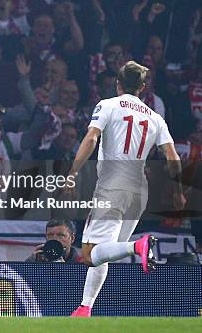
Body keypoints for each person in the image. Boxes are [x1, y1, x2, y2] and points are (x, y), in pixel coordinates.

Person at [66, 61, 185, 317]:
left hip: (112, 185)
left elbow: (91, 138)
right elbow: (172, 156)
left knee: (89, 253)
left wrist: (72, 174)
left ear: (117, 83)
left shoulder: (108, 105)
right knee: (105, 252)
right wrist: (178, 191)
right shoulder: (155, 117)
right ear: (142, 87)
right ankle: (85, 308)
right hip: (139, 191)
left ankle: (137, 246)